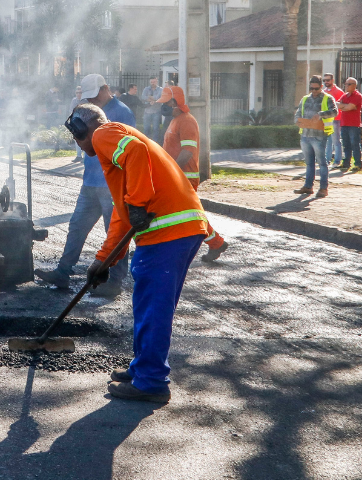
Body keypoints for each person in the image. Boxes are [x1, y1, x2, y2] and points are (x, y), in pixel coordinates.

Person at [65, 102, 208, 403]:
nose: (78, 144)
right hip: (176, 232)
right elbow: (123, 213)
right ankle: (143, 368)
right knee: (146, 304)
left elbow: (136, 156)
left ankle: (152, 381)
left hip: (169, 234)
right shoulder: (115, 151)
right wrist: (103, 260)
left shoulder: (105, 133)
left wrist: (139, 203)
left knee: (154, 307)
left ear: (81, 128)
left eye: (75, 136)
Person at [36, 74, 135, 299]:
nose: (93, 101)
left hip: (111, 185)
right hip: (90, 181)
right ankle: (63, 272)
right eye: (88, 97)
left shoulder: (122, 112)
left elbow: (127, 151)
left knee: (116, 233)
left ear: (105, 89)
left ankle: (115, 281)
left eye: (94, 96)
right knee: (77, 226)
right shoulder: (90, 110)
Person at [156, 86, 228, 263]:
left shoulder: (186, 121)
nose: (162, 106)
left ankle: (159, 248)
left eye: (165, 102)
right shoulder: (175, 120)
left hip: (184, 177)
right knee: (186, 215)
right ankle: (216, 243)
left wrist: (171, 170)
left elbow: (188, 151)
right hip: (177, 176)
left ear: (174, 102)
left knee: (182, 215)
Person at [294, 75, 338, 198]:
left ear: (321, 86)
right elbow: (298, 112)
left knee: (322, 163)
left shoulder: (327, 98)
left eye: (316, 89)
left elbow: (335, 111)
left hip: (320, 135)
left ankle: (323, 188)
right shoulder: (305, 99)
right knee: (309, 163)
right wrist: (297, 120)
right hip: (305, 135)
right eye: (312, 89)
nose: (314, 91)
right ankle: (308, 187)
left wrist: (321, 114)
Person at [338, 77, 362, 172]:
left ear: (354, 85)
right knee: (346, 144)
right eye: (346, 84)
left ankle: (358, 164)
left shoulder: (358, 96)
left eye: (348, 84)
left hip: (354, 124)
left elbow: (349, 107)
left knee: (354, 144)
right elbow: (338, 105)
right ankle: (346, 163)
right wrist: (345, 106)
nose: (346, 86)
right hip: (344, 123)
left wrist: (344, 106)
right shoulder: (344, 96)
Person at [325, 73, 346, 167]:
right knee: (328, 141)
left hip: (336, 119)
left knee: (336, 141)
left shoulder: (338, 91)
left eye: (328, 80)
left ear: (332, 80)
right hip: (326, 120)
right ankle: (327, 160)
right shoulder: (324, 91)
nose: (326, 82)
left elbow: (342, 106)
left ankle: (337, 161)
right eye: (324, 80)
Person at [141, 77, 164, 141]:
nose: (152, 83)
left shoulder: (160, 89)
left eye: (154, 82)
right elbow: (143, 97)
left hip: (156, 111)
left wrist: (149, 98)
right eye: (151, 82)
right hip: (147, 111)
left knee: (155, 128)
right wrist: (153, 99)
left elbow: (159, 97)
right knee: (146, 128)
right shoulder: (146, 89)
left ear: (156, 82)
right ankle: (145, 142)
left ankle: (155, 143)